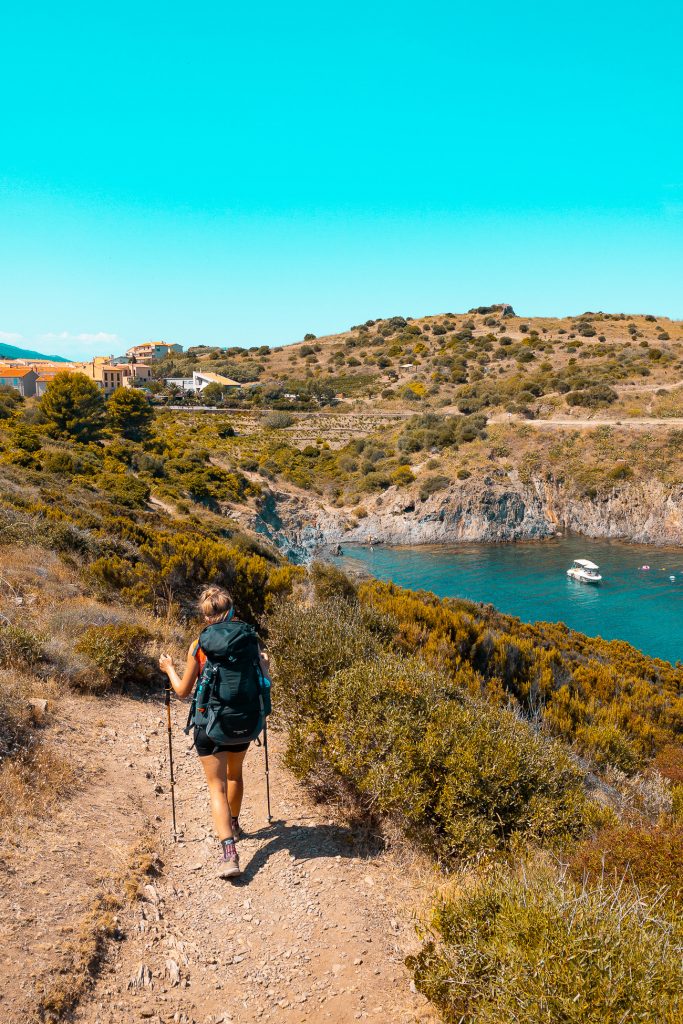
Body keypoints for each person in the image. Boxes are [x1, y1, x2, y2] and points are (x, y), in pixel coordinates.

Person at [159, 585, 270, 879]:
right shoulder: (250, 641)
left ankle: (229, 853)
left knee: (216, 786)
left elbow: (182, 691)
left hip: (210, 724)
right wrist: (267, 667)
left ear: (207, 616)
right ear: (231, 609)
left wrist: (168, 668)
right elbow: (264, 680)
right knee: (236, 775)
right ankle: (234, 823)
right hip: (244, 722)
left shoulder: (199, 645)